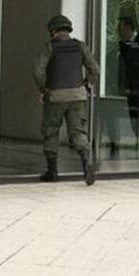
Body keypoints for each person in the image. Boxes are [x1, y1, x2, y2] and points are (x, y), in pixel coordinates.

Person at [34, 15, 100, 185]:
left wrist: (44, 90)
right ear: (68, 30)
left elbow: (38, 71)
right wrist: (86, 85)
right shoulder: (80, 46)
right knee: (78, 132)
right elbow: (95, 69)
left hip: (55, 96)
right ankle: (87, 162)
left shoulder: (49, 47)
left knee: (51, 131)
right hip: (77, 96)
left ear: (53, 31)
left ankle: (52, 171)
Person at [116, 16, 139, 156]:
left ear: (129, 27)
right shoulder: (123, 44)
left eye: (122, 27)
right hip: (131, 86)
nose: (120, 31)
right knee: (133, 114)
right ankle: (138, 139)